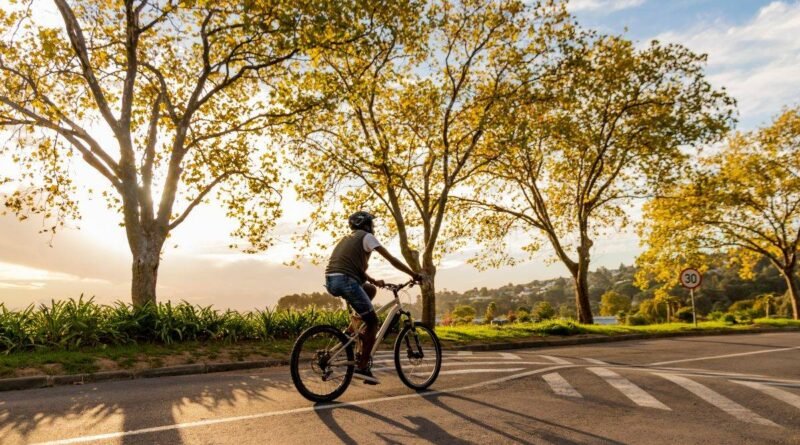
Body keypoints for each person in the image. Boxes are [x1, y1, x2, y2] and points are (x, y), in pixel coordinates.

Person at [325, 211, 422, 385]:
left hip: (332, 280)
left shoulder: (347, 239)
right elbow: (391, 259)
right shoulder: (367, 237)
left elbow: (353, 266)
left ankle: (353, 329)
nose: (373, 227)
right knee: (373, 322)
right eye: (372, 223)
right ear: (366, 224)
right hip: (346, 280)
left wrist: (373, 280)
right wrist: (413, 274)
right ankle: (362, 367)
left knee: (369, 289)